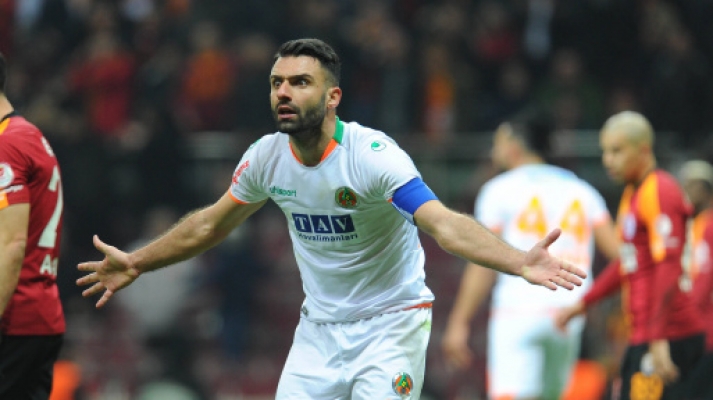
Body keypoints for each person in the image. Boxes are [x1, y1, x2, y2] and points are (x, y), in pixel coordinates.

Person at [76, 38, 586, 400]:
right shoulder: (266, 158)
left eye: (300, 82)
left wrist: (518, 261)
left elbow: (444, 225)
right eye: (277, 83)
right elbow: (211, 224)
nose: (284, 93)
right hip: (318, 330)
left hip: (391, 324)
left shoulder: (372, 156)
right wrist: (138, 261)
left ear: (332, 97)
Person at [441, 117, 619, 400]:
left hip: (518, 310)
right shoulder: (582, 190)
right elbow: (621, 254)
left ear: (514, 147)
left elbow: (483, 263)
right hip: (569, 312)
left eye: (498, 143)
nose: (493, 151)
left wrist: (459, 321)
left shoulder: (499, 189)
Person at [556, 111, 705, 400]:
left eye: (617, 151)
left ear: (644, 150)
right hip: (647, 334)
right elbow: (628, 263)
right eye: (605, 152)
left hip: (671, 334)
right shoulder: (632, 195)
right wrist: (583, 304)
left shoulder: (660, 190)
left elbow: (669, 266)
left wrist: (658, 337)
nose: (607, 160)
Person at [0, 52, 66, 398]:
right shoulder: (26, 134)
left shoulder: (6, 145)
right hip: (35, 316)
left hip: (15, 322)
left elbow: (11, 246)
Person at [678, 160, 713, 399]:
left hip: (704, 327)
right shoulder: (695, 224)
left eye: (691, 185)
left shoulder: (709, 225)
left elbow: (705, 278)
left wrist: (685, 317)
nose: (686, 190)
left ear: (705, 188)